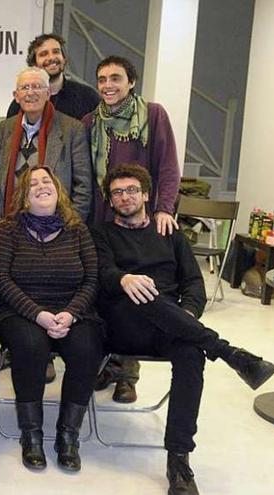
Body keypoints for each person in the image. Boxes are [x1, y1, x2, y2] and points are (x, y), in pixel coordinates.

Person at [91, 164, 274, 495]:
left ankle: (179, 460)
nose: (125, 197)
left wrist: (188, 315)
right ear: (110, 200)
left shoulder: (169, 232)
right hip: (123, 324)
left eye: (132, 190)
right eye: (117, 192)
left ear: (146, 194)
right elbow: (102, 273)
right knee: (143, 293)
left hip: (171, 324)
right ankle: (231, 354)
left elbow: (194, 282)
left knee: (192, 354)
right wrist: (124, 278)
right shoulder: (102, 233)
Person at [0, 166, 102, 472]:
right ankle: (32, 434)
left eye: (46, 181)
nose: (40, 186)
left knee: (87, 347)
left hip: (71, 311)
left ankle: (68, 435)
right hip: (17, 311)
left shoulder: (77, 229)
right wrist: (37, 314)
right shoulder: (8, 229)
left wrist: (71, 313)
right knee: (30, 345)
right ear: (24, 197)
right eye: (32, 184)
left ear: (58, 189)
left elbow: (92, 279)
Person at [83, 55, 182, 402]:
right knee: (105, 290)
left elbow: (168, 166)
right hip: (102, 222)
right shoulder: (89, 122)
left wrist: (163, 209)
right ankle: (107, 361)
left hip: (140, 220)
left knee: (138, 290)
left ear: (131, 82)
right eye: (102, 79)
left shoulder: (152, 115)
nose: (108, 85)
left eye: (115, 78)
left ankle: (127, 372)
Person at [0, 66, 92, 247]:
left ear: (48, 92)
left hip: (54, 229)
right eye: (25, 88)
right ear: (16, 96)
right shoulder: (6, 128)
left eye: (37, 86)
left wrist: (67, 226)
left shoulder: (72, 129)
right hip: (10, 227)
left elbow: (83, 187)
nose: (31, 93)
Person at [6, 33, 100, 120]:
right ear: (34, 63)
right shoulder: (20, 104)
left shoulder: (88, 97)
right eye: (43, 54)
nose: (51, 58)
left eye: (56, 52)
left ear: (64, 58)